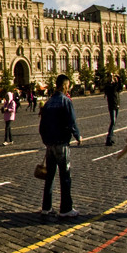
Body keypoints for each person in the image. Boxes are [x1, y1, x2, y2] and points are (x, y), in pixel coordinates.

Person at [38, 74, 82, 219]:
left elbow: (42, 126)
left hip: (50, 145)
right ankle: (65, 209)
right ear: (64, 85)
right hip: (62, 144)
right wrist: (77, 135)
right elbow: (71, 121)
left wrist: (46, 141)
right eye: (68, 85)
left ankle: (46, 207)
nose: (68, 88)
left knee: (49, 177)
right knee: (65, 176)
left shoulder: (49, 102)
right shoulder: (65, 101)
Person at [103, 74, 124, 146]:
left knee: (114, 122)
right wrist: (115, 80)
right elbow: (113, 88)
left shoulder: (115, 85)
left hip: (116, 105)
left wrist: (119, 78)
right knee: (113, 121)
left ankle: (111, 137)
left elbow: (120, 87)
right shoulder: (108, 86)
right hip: (112, 105)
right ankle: (108, 138)